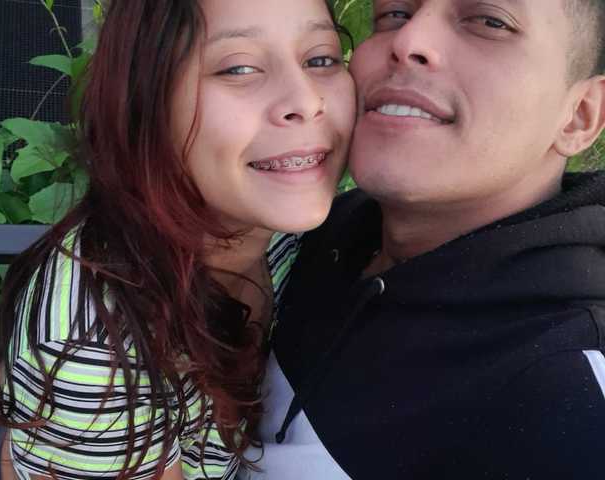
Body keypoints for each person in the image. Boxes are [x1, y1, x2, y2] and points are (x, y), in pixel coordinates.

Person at [0, 0, 355, 479]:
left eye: (321, 58)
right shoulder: (101, 354)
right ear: (145, 104)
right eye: (238, 68)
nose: (308, 100)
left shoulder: (284, 232)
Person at [241, 0, 605, 478]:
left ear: (579, 115)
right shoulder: (306, 232)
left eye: (489, 21)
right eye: (394, 13)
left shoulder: (569, 403)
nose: (408, 41)